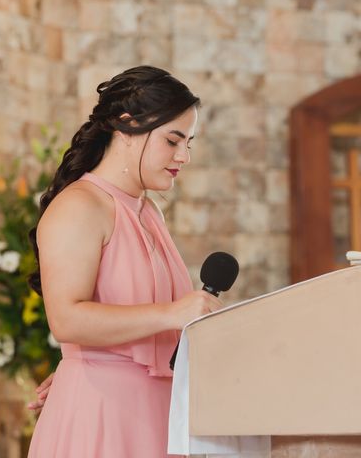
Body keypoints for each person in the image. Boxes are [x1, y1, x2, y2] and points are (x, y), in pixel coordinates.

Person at [26, 66, 223, 458]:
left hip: (156, 413)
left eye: (189, 142)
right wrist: (170, 314)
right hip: (103, 416)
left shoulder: (149, 212)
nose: (184, 156)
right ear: (128, 128)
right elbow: (66, 320)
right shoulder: (80, 206)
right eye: (173, 140)